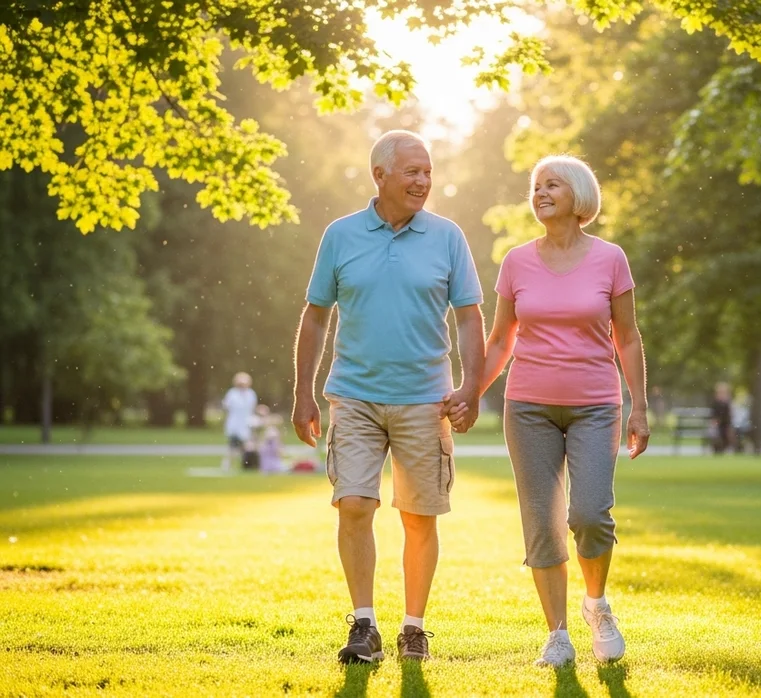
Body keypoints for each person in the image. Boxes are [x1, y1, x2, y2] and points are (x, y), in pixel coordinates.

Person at [291, 130, 485, 664]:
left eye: (427, 172)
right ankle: (364, 624)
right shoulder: (341, 234)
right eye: (412, 172)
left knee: (419, 517)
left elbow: (470, 317)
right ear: (379, 175)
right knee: (354, 503)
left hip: (426, 399)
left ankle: (413, 628)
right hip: (354, 394)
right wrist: (303, 393)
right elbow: (316, 315)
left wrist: (471, 386)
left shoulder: (447, 236)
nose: (423, 181)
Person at [471, 154, 649, 668]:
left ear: (578, 195)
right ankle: (558, 634)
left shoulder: (610, 258)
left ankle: (597, 604)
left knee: (590, 514)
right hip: (528, 407)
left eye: (552, 185)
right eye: (536, 186)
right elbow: (500, 340)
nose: (541, 193)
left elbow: (628, 337)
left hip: (596, 405)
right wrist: (469, 392)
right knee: (542, 523)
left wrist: (639, 406)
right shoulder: (516, 262)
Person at [221, 372, 257, 473]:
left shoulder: (251, 394)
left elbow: (252, 409)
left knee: (246, 446)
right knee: (232, 447)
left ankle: (245, 465)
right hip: (234, 424)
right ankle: (227, 465)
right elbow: (227, 407)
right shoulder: (232, 393)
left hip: (246, 424)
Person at [709, 382, 734, 454]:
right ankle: (717, 449)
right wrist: (715, 421)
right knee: (715, 434)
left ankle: (726, 448)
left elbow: (728, 415)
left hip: (725, 423)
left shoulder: (727, 402)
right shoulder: (716, 402)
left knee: (726, 435)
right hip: (717, 423)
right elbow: (714, 413)